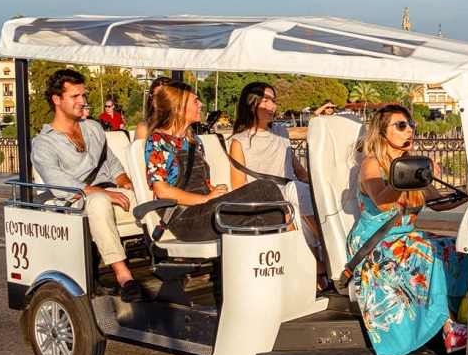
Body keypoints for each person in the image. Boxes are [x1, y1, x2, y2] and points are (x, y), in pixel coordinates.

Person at [348, 104, 468, 355]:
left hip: (407, 236)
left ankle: (467, 314)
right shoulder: (372, 164)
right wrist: (401, 177)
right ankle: (448, 328)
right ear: (382, 132)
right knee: (428, 252)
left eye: (411, 125)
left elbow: (439, 204)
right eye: (401, 126)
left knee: (457, 247)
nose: (409, 131)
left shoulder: (413, 164)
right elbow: (382, 203)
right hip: (378, 240)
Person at [32, 69, 141, 302]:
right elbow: (58, 181)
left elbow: (110, 161)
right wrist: (100, 191)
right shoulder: (43, 142)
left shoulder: (92, 128)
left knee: (150, 195)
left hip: (105, 189)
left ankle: (176, 260)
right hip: (72, 198)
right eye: (75, 96)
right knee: (99, 201)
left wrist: (125, 181)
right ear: (57, 100)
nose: (83, 101)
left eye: (83, 95)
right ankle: (124, 276)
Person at [144, 82, 286, 242]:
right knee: (265, 187)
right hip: (184, 218)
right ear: (178, 108)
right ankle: (291, 250)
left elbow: (202, 183)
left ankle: (267, 264)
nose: (201, 104)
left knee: (263, 214)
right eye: (195, 101)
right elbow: (162, 192)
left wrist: (216, 191)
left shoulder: (194, 141)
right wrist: (208, 199)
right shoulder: (157, 141)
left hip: (205, 210)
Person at [229, 82, 328, 290]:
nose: (272, 106)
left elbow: (299, 172)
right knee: (297, 193)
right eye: (266, 100)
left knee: (302, 193)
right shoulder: (239, 141)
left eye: (273, 100)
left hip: (293, 196)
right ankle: (327, 244)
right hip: (266, 199)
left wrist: (321, 185)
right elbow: (239, 188)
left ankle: (313, 264)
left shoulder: (282, 133)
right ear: (251, 104)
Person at [134, 76, 173, 140]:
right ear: (151, 100)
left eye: (165, 96)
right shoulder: (144, 129)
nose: (161, 100)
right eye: (156, 96)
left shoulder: (184, 127)